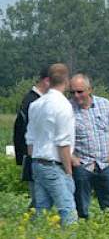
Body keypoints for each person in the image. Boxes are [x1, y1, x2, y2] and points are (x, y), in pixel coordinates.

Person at [25, 63, 77, 225]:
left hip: (37, 162)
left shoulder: (36, 104)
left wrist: (35, 159)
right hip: (54, 164)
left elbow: (30, 140)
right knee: (68, 210)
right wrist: (68, 172)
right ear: (66, 81)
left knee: (41, 210)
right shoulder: (63, 105)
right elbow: (63, 143)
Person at [69, 73, 109, 217]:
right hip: (82, 166)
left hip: (105, 165)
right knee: (81, 209)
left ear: (90, 89)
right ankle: (85, 235)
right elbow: (60, 138)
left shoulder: (104, 104)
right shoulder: (67, 108)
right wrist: (73, 159)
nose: (76, 95)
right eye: (72, 92)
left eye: (80, 91)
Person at [13, 66, 50, 203]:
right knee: (39, 201)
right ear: (47, 81)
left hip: (32, 156)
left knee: (40, 201)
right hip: (34, 157)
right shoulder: (33, 102)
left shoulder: (30, 99)